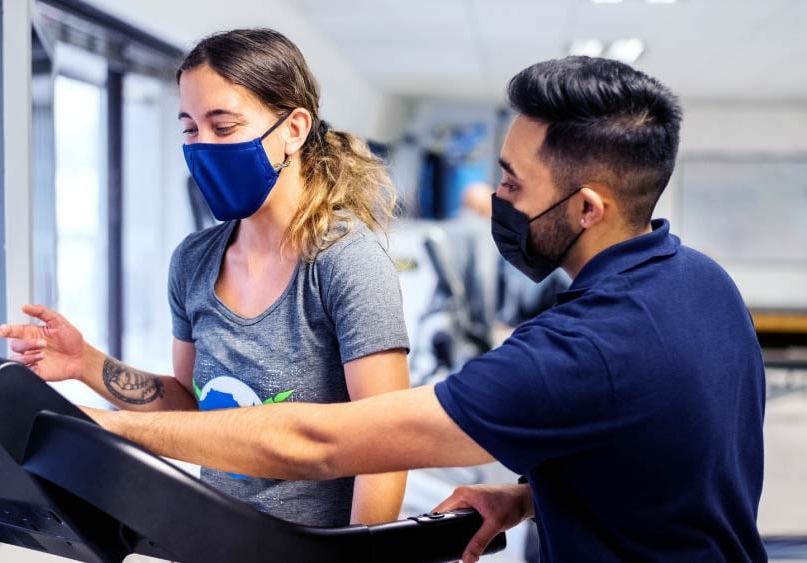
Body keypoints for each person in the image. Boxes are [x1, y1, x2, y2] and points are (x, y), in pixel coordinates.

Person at [79, 56, 767, 563]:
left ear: (587, 207)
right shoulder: (701, 282)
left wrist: (99, 430)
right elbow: (669, 459)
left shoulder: (583, 346)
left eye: (510, 181)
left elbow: (321, 442)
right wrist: (526, 496)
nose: (494, 196)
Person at [0, 28, 411, 528]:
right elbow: (196, 407)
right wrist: (86, 363)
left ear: (294, 129)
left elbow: (386, 444)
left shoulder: (346, 262)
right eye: (190, 129)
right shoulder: (193, 261)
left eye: (224, 125)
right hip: (213, 536)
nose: (202, 146)